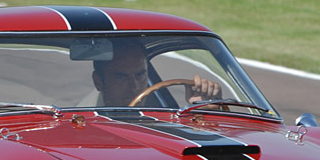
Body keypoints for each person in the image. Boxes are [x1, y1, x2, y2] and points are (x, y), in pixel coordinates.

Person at [91, 42, 223, 107]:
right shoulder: (87, 132)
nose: (135, 87)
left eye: (140, 75)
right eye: (121, 77)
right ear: (98, 82)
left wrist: (204, 109)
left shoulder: (165, 120)